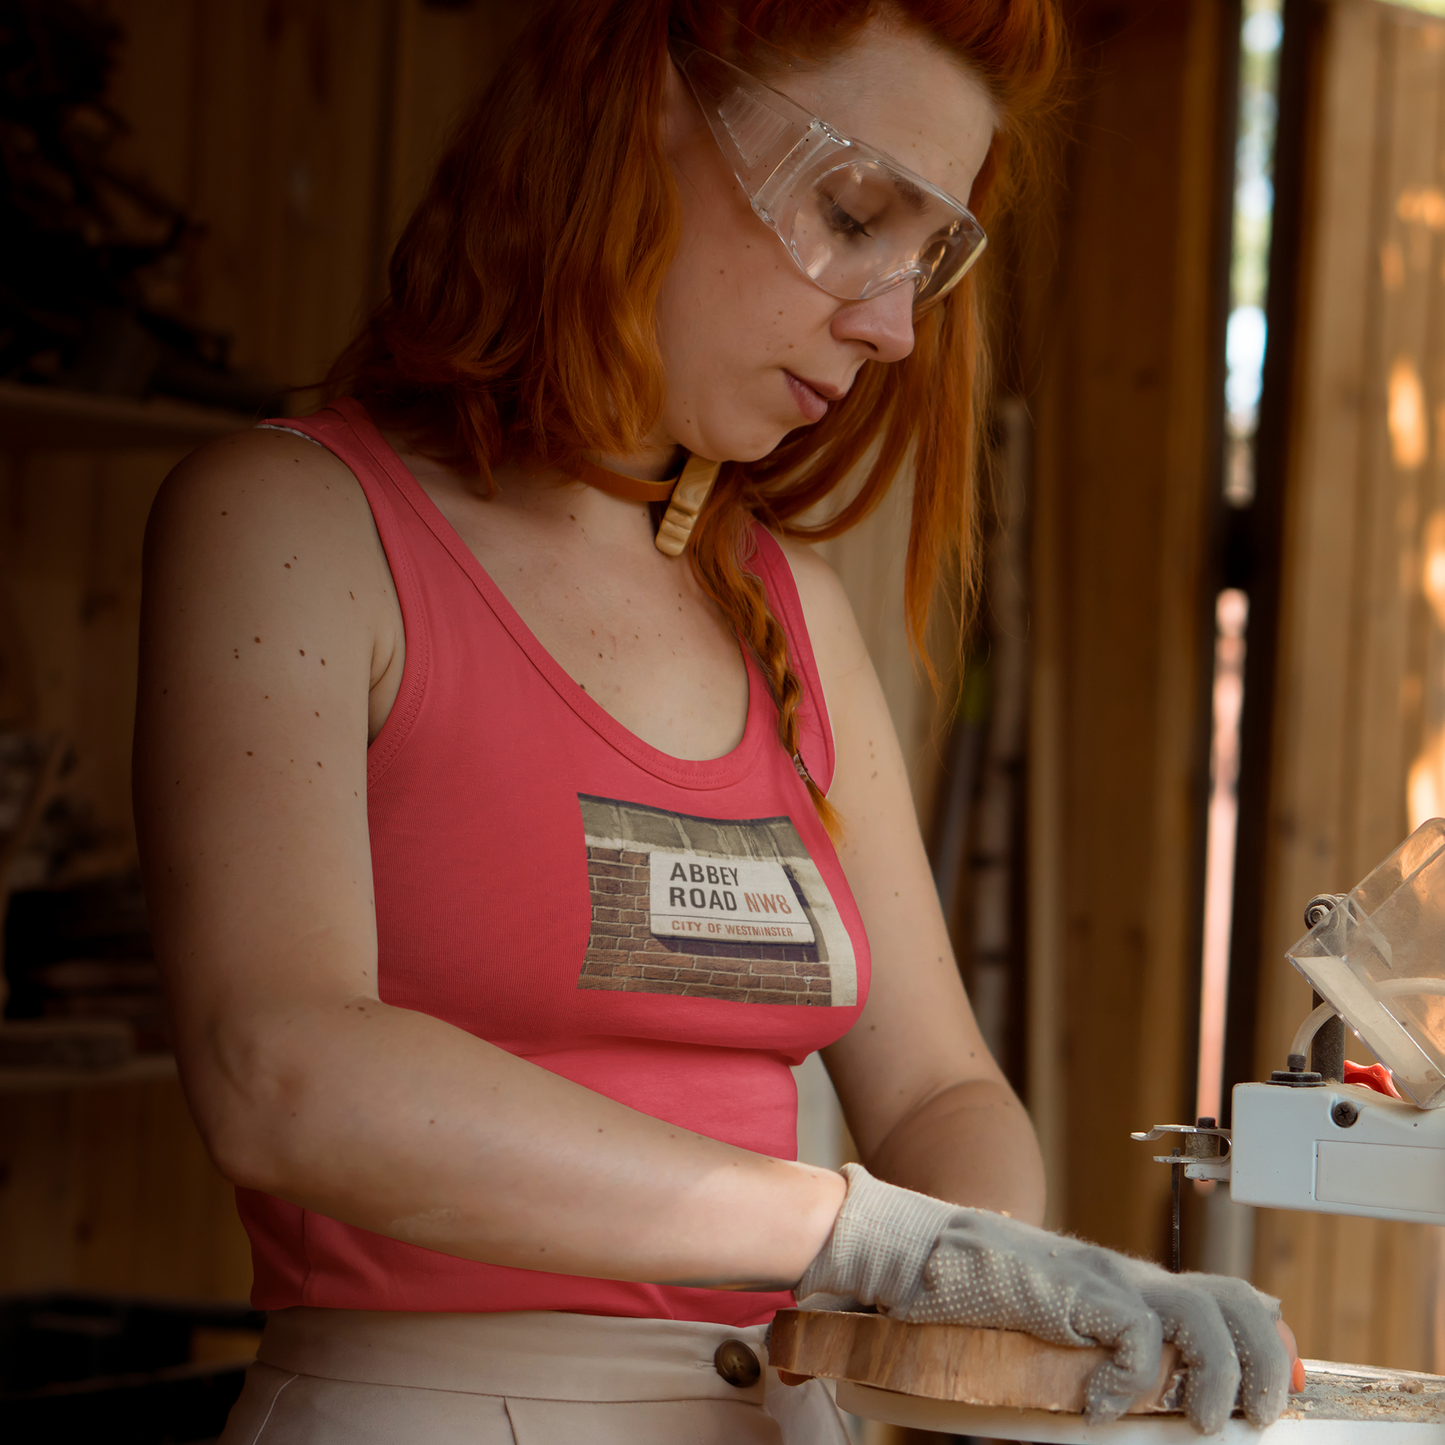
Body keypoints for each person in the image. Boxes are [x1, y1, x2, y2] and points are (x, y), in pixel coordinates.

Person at [133, 2, 1298, 1441]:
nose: (890, 328)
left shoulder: (789, 607)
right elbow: (282, 1069)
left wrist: (988, 1267)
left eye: (927, 261)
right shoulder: (293, 525)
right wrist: (862, 1237)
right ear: (636, 118)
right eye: (853, 210)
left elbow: (939, 1088)